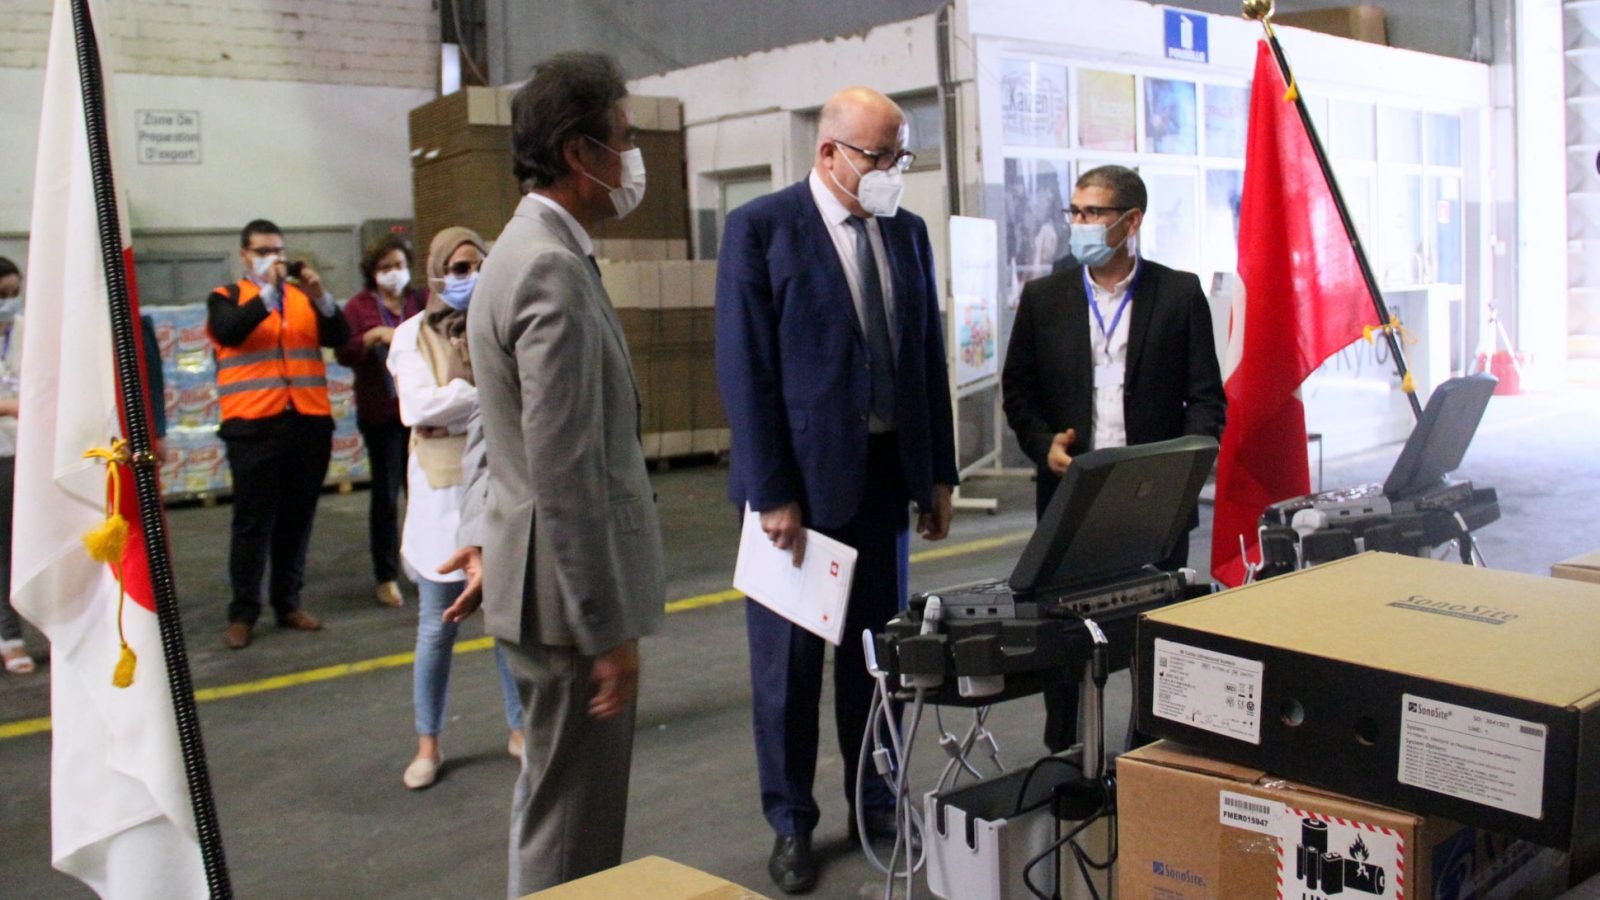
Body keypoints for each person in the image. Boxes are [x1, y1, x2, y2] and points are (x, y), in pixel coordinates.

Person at [715, 86, 959, 895]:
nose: (893, 171)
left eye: (901, 157)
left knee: (878, 662)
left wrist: (937, 472)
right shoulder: (762, 229)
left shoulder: (907, 232)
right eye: (879, 156)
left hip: (886, 483)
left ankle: (873, 800)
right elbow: (744, 369)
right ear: (830, 153)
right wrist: (771, 491)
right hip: (799, 496)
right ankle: (791, 822)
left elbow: (925, 357)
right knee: (787, 674)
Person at [441, 52, 664, 896]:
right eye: (624, 139)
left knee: (554, 808)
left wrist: (482, 535)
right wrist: (604, 627)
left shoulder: (518, 252)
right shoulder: (549, 268)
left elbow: (490, 424)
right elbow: (563, 472)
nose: (632, 159)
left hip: (537, 586)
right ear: (579, 153)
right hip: (569, 608)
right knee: (572, 827)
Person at [1001, 164, 1226, 752]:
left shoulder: (1178, 295)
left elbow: (1206, 399)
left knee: (1156, 630)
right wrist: (1042, 443)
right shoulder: (1046, 298)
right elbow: (1018, 390)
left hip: (1153, 498)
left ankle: (1153, 750)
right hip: (1072, 495)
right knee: (1062, 629)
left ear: (1131, 221)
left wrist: (1183, 474)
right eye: (1074, 212)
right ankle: (1063, 754)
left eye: (1093, 213)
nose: (1079, 224)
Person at [385, 227, 524, 790]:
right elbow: (418, 408)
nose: (471, 278)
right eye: (459, 269)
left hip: (500, 487)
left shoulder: (498, 323)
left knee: (507, 624)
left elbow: (521, 394)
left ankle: (520, 728)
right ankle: (428, 743)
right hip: (441, 498)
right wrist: (484, 397)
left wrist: (462, 408)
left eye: (478, 265)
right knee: (436, 629)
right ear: (438, 274)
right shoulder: (411, 335)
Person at [206, 219, 351, 650]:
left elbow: (340, 336)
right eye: (263, 251)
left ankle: (288, 603)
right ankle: (243, 613)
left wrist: (320, 295)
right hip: (253, 427)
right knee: (252, 523)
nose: (274, 259)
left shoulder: (303, 298)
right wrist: (269, 293)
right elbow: (231, 331)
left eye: (279, 251)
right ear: (244, 255)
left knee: (297, 519)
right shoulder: (226, 298)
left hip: (307, 422)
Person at [337, 235, 427, 609]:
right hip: (381, 413)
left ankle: (427, 567)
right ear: (372, 272)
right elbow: (344, 351)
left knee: (423, 492)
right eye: (385, 267)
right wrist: (372, 337)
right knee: (386, 495)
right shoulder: (358, 308)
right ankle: (386, 575)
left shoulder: (420, 300)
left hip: (422, 411)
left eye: (399, 265)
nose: (393, 273)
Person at [0, 257, 34, 675]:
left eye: (14, 293)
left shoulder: (29, 332)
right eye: (0, 295)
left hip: (27, 452)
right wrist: (8, 407)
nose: (8, 302)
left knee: (23, 545)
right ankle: (10, 637)